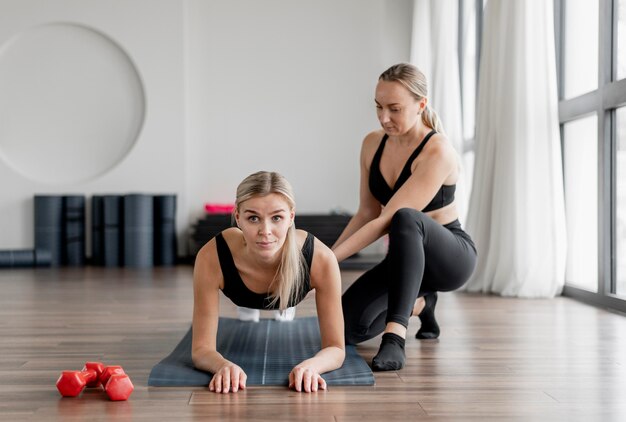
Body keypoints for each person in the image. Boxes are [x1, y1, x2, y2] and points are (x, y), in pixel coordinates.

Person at [332, 63, 477, 371]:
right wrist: (324, 257)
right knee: (345, 329)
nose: (384, 117)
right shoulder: (372, 144)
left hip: (448, 258)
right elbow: (368, 212)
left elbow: (388, 218)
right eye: (379, 107)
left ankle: (395, 337)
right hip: (405, 261)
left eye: (394, 109)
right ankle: (422, 303)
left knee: (405, 218)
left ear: (421, 105)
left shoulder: (437, 151)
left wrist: (327, 263)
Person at [192, 171, 345, 393]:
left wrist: (312, 366)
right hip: (240, 291)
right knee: (246, 309)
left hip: (289, 288)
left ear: (291, 217)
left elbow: (336, 348)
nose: (265, 231)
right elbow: (200, 349)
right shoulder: (212, 256)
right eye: (253, 218)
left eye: (277, 218)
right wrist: (222, 365)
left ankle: (284, 304)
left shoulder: (321, 259)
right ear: (238, 217)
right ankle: (248, 307)